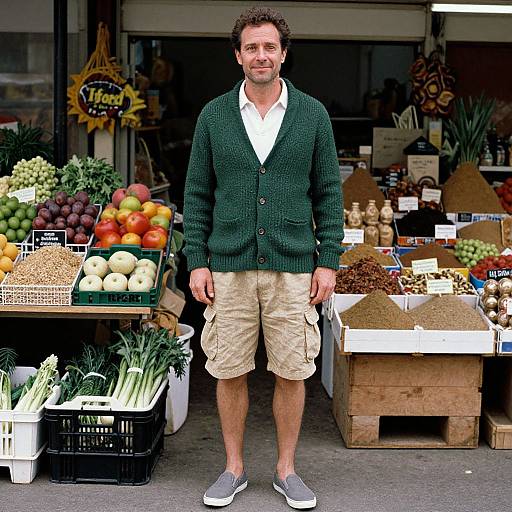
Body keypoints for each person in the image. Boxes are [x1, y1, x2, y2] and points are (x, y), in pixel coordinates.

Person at [183, 7, 343, 510]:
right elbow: (197, 194)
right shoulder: (213, 115)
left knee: (292, 369)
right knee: (228, 369)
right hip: (227, 264)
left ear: (283, 54)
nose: (261, 55)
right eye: (251, 47)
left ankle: (286, 469)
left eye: (269, 46)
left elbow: (328, 194)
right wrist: (197, 260)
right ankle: (232, 468)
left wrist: (328, 260)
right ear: (238, 55)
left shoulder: (312, 114)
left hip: (293, 265)